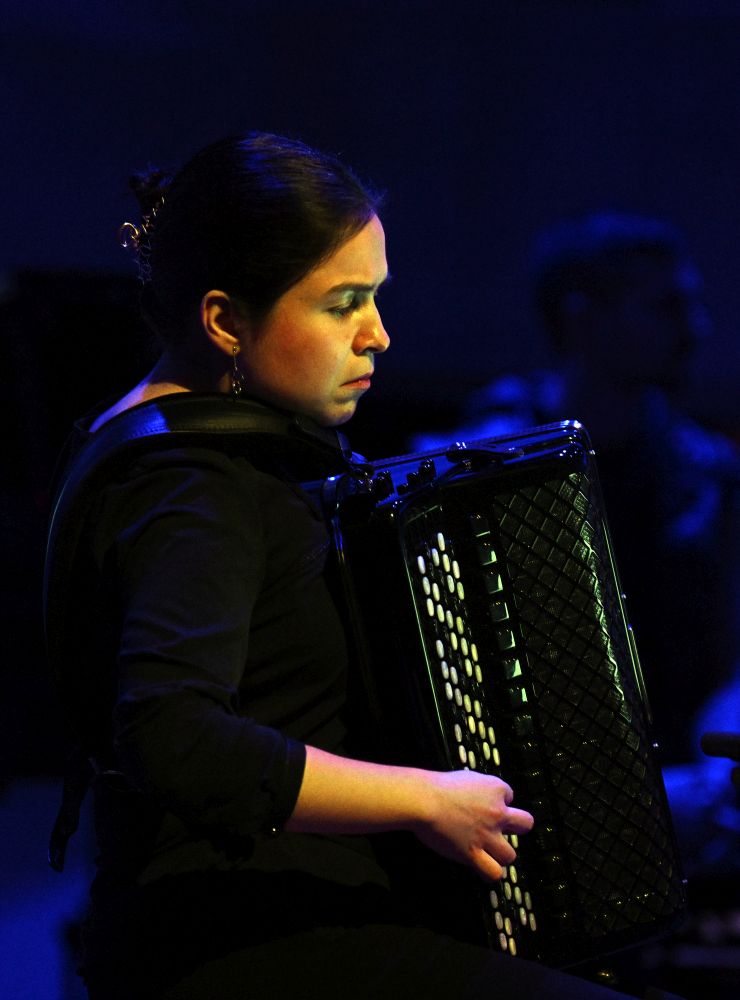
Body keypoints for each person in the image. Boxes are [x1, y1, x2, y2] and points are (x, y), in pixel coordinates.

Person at [45, 136, 679, 1000]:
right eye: (344, 304)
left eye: (374, 298)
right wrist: (423, 797)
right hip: (246, 937)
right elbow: (173, 737)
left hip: (262, 916)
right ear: (225, 320)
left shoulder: (159, 442)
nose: (378, 336)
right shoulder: (196, 484)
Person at [414, 211, 740, 768]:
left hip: (684, 787)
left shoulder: (708, 473)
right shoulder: (475, 466)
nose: (696, 330)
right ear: (583, 320)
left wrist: (711, 772)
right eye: (665, 307)